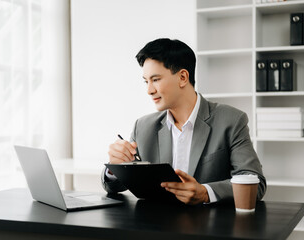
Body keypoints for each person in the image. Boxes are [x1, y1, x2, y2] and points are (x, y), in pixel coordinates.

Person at [101, 38, 266, 205]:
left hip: (211, 226)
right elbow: (116, 187)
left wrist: (206, 192)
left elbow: (255, 182)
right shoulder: (143, 127)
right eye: (146, 81)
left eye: (156, 79)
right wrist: (115, 168)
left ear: (182, 77)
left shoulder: (231, 120)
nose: (149, 90)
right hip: (155, 226)